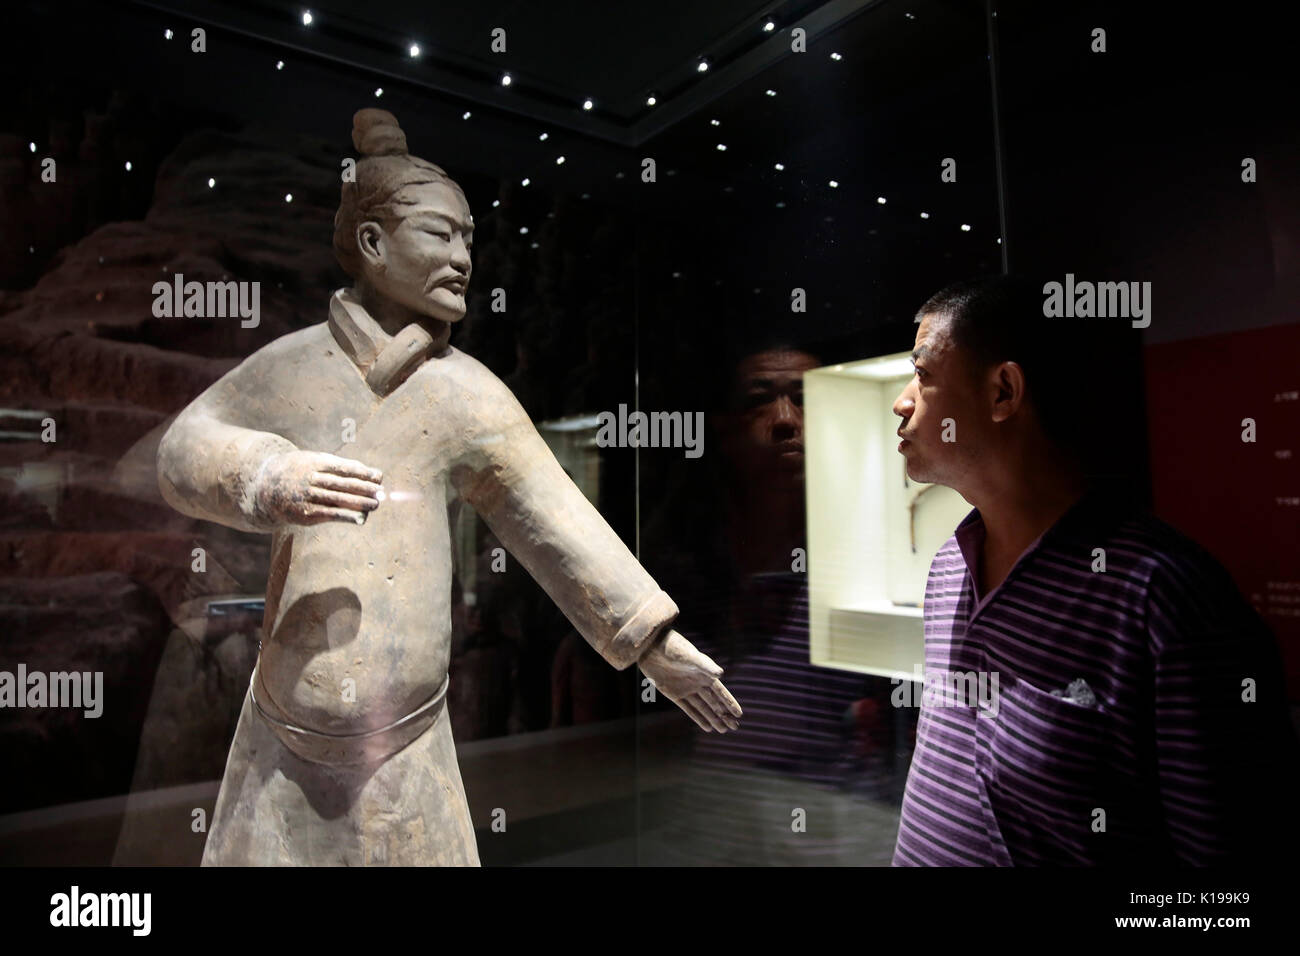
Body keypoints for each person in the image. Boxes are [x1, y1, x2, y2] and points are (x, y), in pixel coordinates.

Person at [156, 109, 740, 865]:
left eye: (468, 236)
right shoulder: (290, 367)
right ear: (372, 243)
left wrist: (652, 643)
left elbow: (553, 519)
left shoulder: (468, 394)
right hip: (280, 752)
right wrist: (268, 474)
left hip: (408, 757)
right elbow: (184, 449)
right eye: (441, 234)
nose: (465, 256)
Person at [889, 274, 1299, 865]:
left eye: (924, 376)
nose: (903, 401)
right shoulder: (951, 564)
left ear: (1003, 391)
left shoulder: (1160, 598)